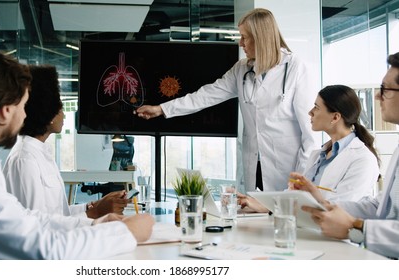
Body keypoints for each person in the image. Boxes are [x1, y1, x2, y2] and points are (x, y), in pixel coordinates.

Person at [0, 50, 154, 259]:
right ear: (5, 111)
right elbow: (43, 249)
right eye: (23, 106)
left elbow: (23, 217)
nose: (26, 116)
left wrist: (95, 223)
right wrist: (127, 233)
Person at [135, 8, 319, 192]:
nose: (240, 43)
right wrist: (161, 109)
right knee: (257, 217)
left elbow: (310, 133)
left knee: (284, 217)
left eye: (245, 37)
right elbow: (206, 95)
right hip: (254, 166)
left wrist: (301, 176)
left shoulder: (294, 67)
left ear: (260, 37)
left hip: (288, 170)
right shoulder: (241, 69)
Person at [293, 52, 399, 259]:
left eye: (385, 90)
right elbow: (380, 207)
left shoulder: (362, 157)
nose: (377, 96)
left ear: (336, 117)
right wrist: (322, 202)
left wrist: (357, 227)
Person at [3, 65, 128, 218]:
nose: (64, 116)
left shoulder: (40, 153)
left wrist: (94, 205)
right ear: (48, 113)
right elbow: (38, 224)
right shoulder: (25, 159)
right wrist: (94, 213)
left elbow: (59, 213)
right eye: (61, 109)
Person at [238, 85, 381, 212]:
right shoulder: (319, 155)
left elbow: (342, 208)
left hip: (333, 237)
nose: (310, 112)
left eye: (316, 108)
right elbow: (295, 196)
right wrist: (262, 204)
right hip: (304, 227)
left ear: (336, 117)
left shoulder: (363, 159)